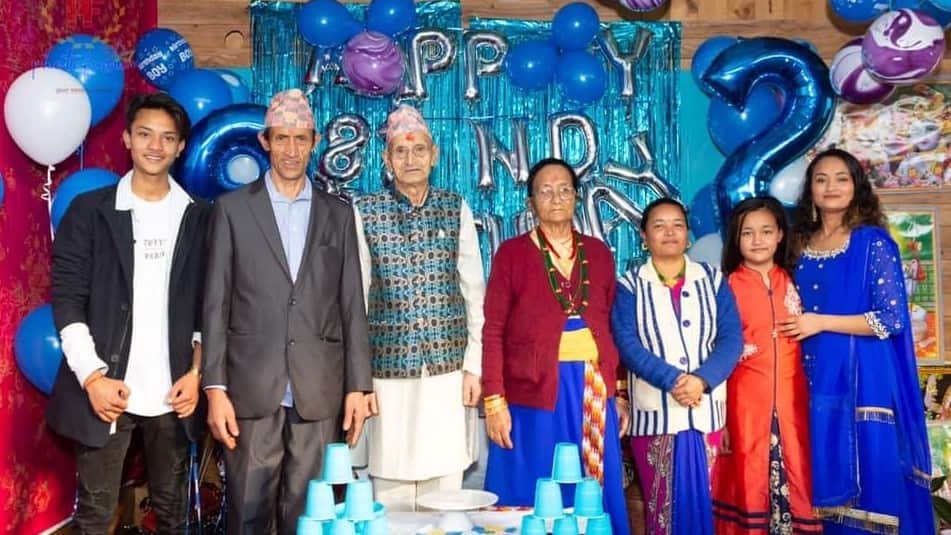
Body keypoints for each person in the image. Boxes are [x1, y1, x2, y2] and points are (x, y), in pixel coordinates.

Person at [202, 89, 372, 534]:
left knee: (311, 514)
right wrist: (215, 388)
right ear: (265, 142)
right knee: (248, 511)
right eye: (282, 138)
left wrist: (358, 386)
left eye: (301, 139)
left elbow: (352, 303)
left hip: (319, 388)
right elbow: (215, 303)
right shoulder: (233, 210)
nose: (291, 150)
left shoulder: (337, 213)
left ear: (314, 142)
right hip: (252, 387)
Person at [47, 93, 208, 534]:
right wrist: (93, 378)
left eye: (167, 137)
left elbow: (210, 306)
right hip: (106, 390)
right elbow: (66, 298)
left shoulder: (198, 217)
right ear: (127, 139)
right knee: (96, 517)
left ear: (180, 147)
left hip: (175, 394)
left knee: (173, 517)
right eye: (144, 134)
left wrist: (196, 373)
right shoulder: (90, 212)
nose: (155, 146)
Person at [782, 148, 933, 534]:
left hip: (861, 380)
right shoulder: (798, 245)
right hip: (806, 377)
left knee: (865, 477)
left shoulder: (873, 243)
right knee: (811, 481)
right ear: (810, 191)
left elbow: (892, 318)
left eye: (841, 178)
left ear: (857, 187)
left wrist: (820, 322)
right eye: (821, 179)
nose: (831, 187)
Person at [482, 158, 630, 535]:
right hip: (532, 389)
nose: (556, 197)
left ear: (577, 198)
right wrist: (495, 399)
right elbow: (494, 329)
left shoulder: (598, 253)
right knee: (534, 483)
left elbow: (615, 326)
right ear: (530, 202)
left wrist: (620, 391)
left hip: (592, 387)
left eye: (564, 189)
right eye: (545, 191)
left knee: (591, 482)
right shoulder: (512, 254)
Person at [353, 105, 485, 511]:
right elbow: (355, 298)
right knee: (389, 491)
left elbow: (474, 291)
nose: (411, 160)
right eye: (400, 151)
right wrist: (358, 381)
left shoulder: (454, 206)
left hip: (447, 373)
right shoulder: (365, 212)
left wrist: (473, 366)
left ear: (435, 154)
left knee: (445, 492)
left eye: (419, 150)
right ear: (386, 159)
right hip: (387, 375)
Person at [610, 197, 742, 535]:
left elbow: (731, 340)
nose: (669, 232)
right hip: (656, 415)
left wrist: (702, 381)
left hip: (705, 410)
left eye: (677, 225)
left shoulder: (713, 281)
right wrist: (672, 380)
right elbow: (627, 344)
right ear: (643, 236)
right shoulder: (628, 286)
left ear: (688, 234)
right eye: (659, 225)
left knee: (705, 504)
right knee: (662, 510)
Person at [711, 196, 821, 535]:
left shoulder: (798, 282)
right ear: (736, 239)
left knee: (799, 479)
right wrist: (722, 418)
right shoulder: (723, 287)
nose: (757, 240)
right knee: (747, 482)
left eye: (766, 231)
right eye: (747, 233)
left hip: (795, 404)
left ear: (780, 236)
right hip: (744, 407)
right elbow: (713, 354)